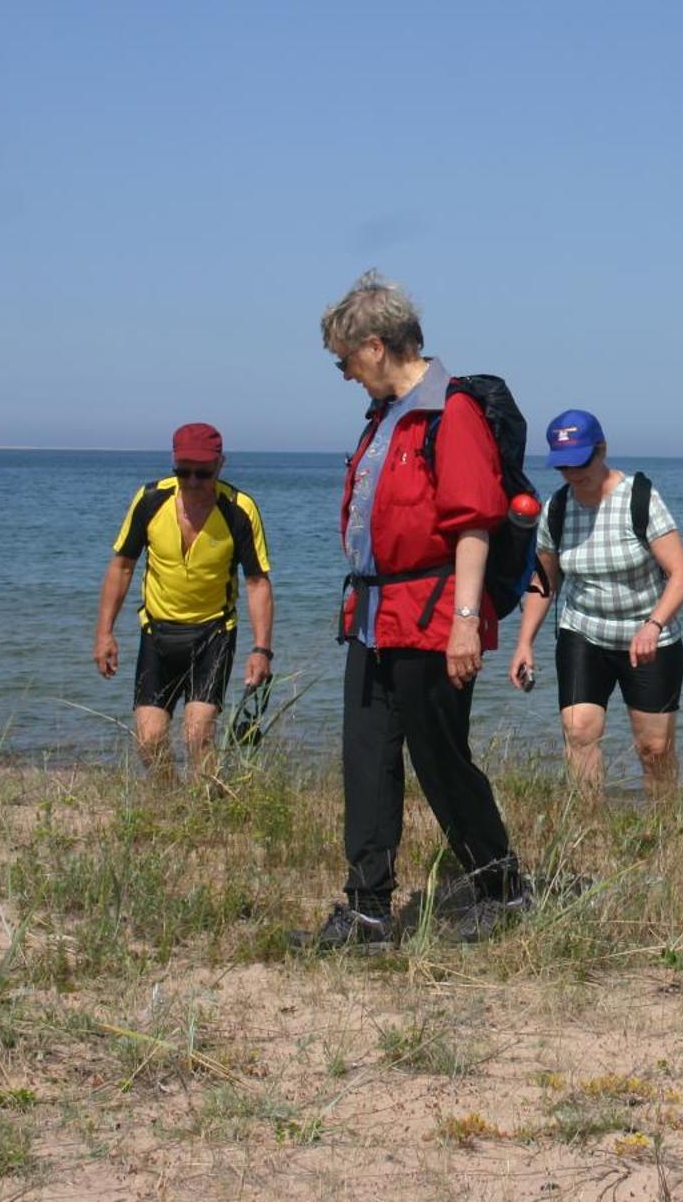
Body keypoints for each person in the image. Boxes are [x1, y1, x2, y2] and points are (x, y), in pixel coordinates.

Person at [303, 270, 527, 951]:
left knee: (439, 758)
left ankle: (500, 886)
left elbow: (472, 524)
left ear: (375, 345)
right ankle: (367, 909)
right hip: (373, 614)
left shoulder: (450, 411)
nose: (344, 375)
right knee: (366, 758)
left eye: (344, 360)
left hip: (432, 615)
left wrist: (465, 620)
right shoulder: (383, 417)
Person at [508, 409, 683, 797]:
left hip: (648, 640)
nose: (575, 474)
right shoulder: (557, 509)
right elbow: (544, 582)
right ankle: (590, 831)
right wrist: (524, 643)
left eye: (582, 461)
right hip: (583, 634)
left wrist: (654, 623)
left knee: (654, 748)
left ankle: (665, 830)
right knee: (578, 732)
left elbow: (681, 576)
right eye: (564, 466)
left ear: (602, 449)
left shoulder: (640, 498)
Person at [92, 423, 275, 785]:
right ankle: (172, 802)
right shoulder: (149, 500)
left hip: (214, 634)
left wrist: (261, 650)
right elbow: (122, 566)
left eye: (203, 472)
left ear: (221, 465)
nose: (192, 481)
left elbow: (257, 583)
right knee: (149, 740)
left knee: (198, 734)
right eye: (183, 471)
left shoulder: (240, 509)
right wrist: (104, 634)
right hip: (157, 633)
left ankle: (208, 810)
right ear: (173, 464)